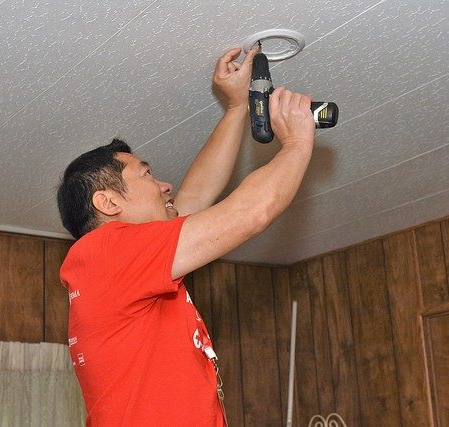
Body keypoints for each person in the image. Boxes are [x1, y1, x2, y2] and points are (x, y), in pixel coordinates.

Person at [57, 46, 315, 426]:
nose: (165, 185)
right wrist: (297, 142)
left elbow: (193, 199)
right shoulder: (107, 252)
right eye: (147, 175)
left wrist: (236, 107)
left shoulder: (115, 268)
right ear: (108, 201)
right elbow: (250, 214)